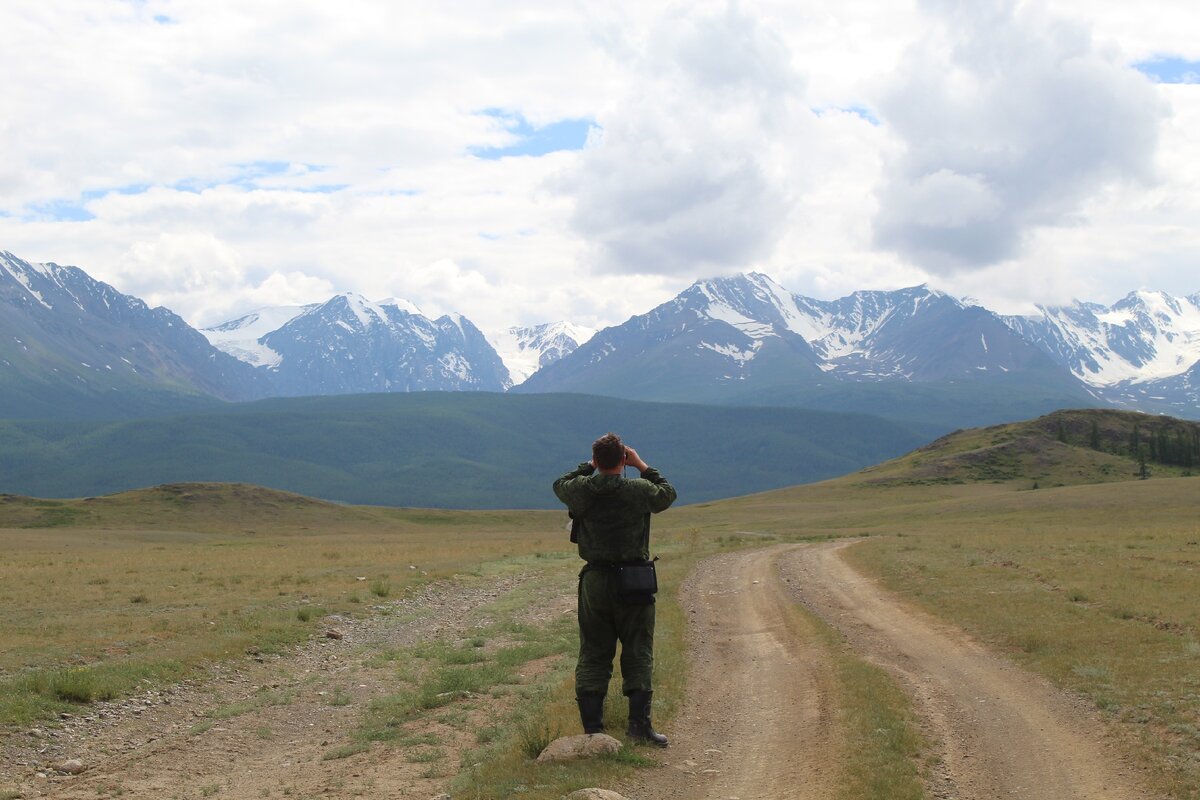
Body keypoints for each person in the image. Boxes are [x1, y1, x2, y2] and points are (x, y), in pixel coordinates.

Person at [553, 432, 677, 746]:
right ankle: (639, 728)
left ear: (597, 460)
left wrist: (588, 467)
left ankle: (593, 731)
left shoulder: (580, 490)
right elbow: (667, 493)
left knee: (594, 652)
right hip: (633, 580)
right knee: (638, 650)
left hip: (594, 580)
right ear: (622, 460)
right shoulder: (638, 490)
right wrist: (640, 465)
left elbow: (559, 484)